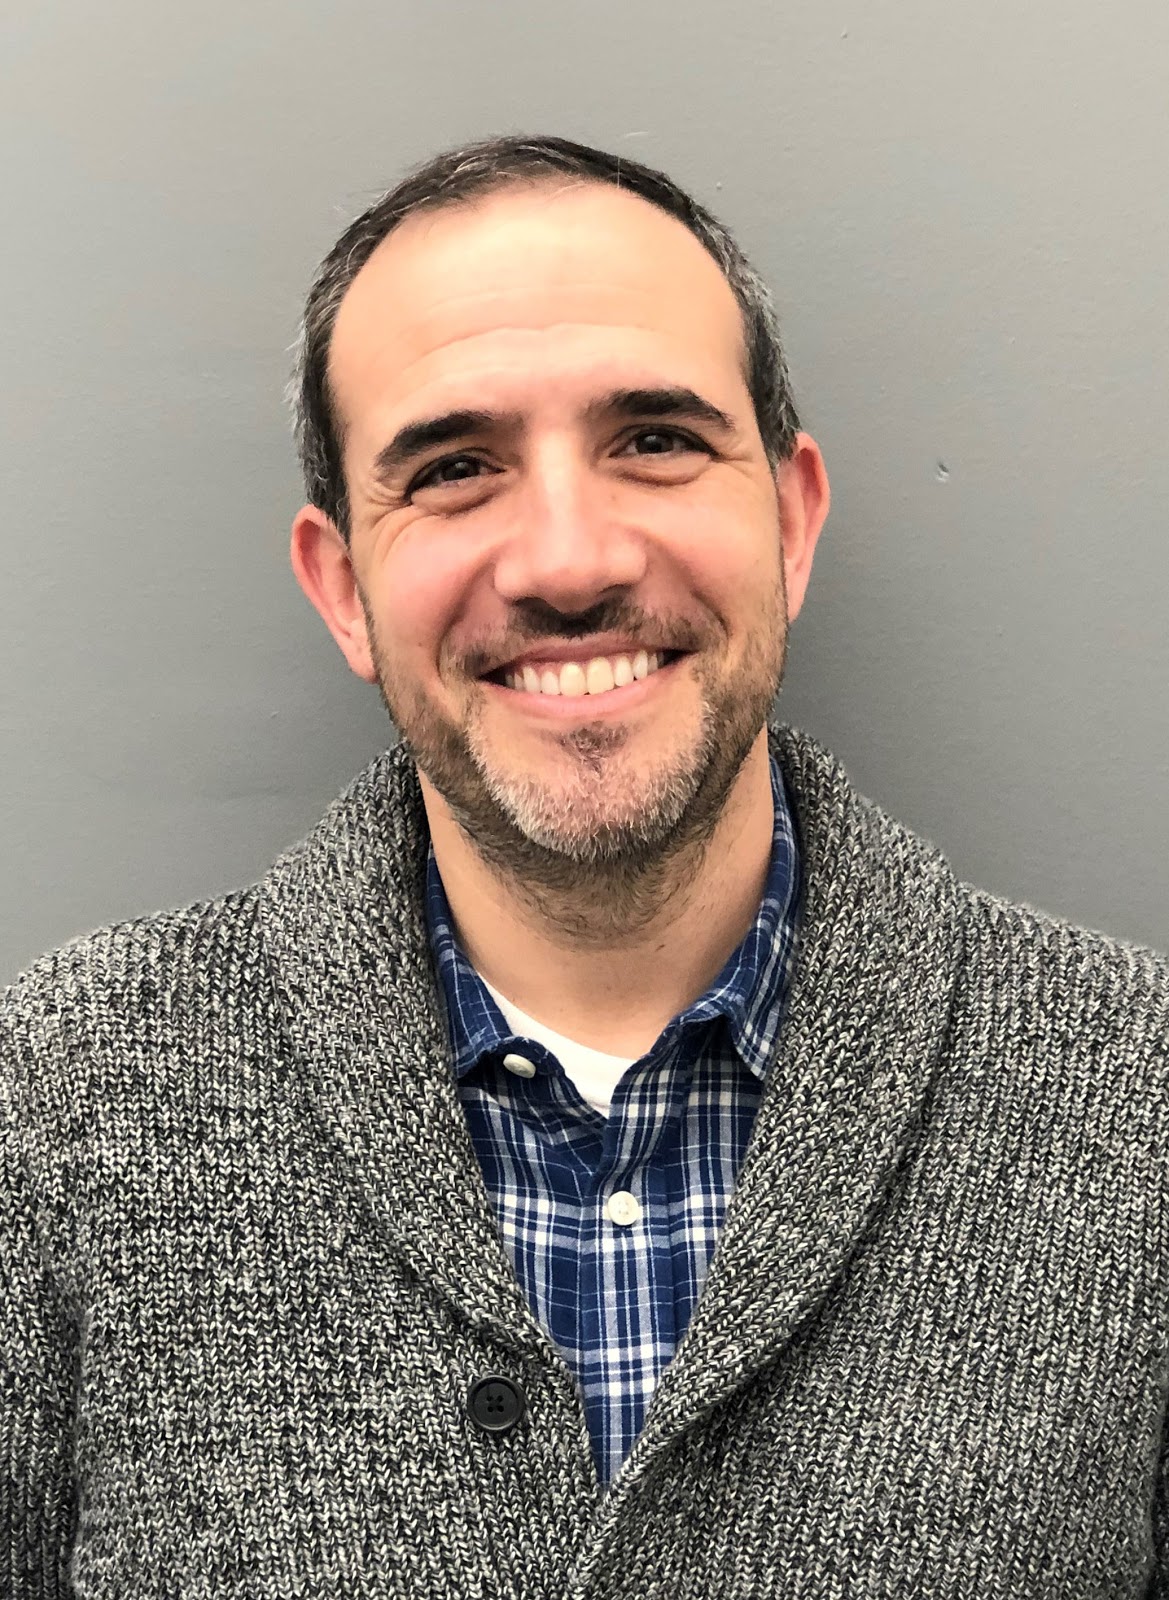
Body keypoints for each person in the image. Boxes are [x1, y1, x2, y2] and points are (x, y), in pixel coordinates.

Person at [2, 134, 1166, 1599]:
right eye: (454, 470)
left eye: (656, 440)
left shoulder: (1137, 1098)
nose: (567, 561)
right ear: (342, 589)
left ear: (792, 523)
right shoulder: (57, 1105)